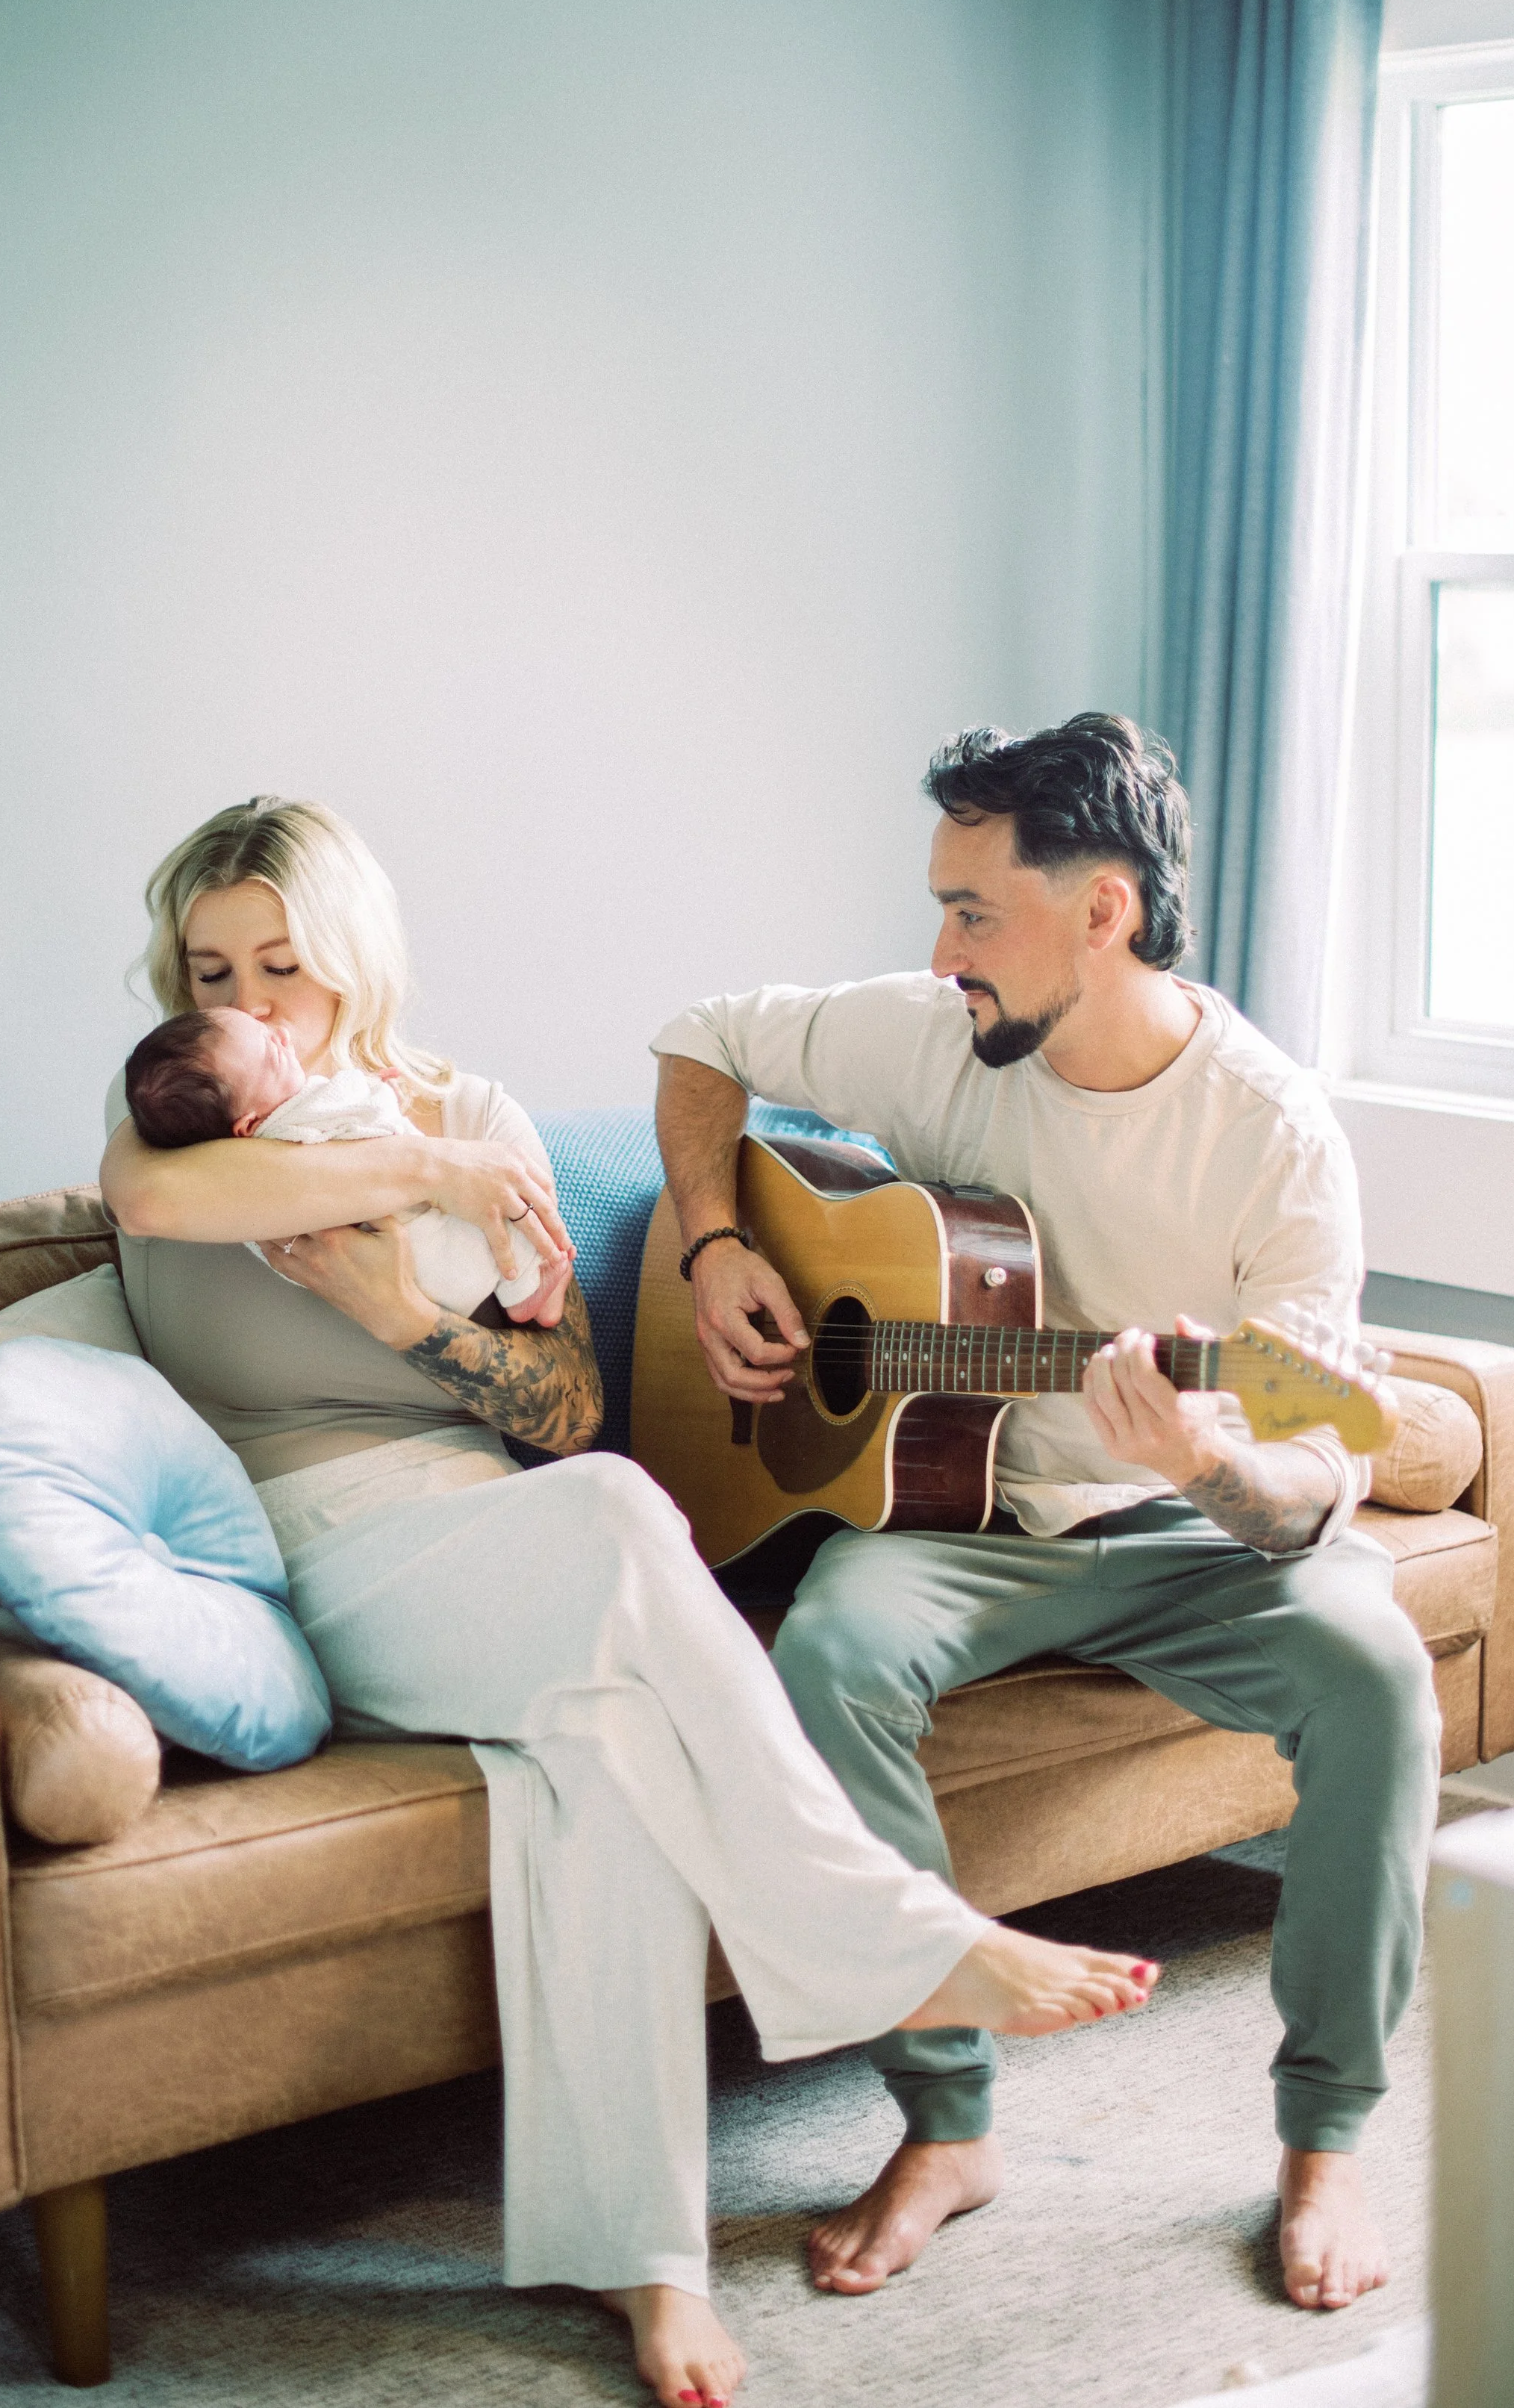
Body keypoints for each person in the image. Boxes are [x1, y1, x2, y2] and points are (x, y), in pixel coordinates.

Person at [100, 794, 1159, 2408]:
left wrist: (406, 1314)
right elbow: (166, 1212)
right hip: (310, 1550)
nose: (247, 1005)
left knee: (598, 1740)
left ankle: (641, 2257)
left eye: (283, 967)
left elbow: (556, 1406)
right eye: (212, 967)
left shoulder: (478, 1107)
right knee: (610, 1515)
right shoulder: (176, 1120)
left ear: (359, 959)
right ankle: (882, 1936)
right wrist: (438, 1169)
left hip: (501, 1543)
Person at [651, 714, 1441, 2318]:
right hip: (959, 1517)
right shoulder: (931, 1031)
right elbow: (696, 1039)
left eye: (970, 911)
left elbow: (1312, 1463)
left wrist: (1217, 1460)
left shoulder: (1268, 1135)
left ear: (1104, 913)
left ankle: (1321, 2138)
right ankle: (945, 2123)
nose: (938, 950)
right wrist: (711, 1246)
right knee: (827, 1651)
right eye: (939, 904)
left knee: (1374, 1671)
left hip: (1185, 1528)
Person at [121, 1003, 544, 1315]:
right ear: (247, 1126)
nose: (281, 1036)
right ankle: (528, 1293)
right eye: (211, 973)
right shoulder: (295, 1117)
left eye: (281, 966)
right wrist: (380, 1093)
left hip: (419, 1276)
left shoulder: (221, 1164)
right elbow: (362, 1118)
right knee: (513, 1239)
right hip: (433, 1254)